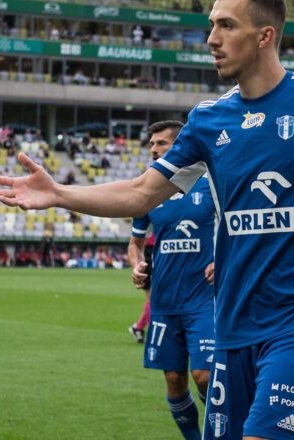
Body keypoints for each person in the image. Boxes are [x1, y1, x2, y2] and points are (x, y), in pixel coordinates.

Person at [0, 0, 294, 440]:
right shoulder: (208, 119)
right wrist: (59, 193)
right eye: (211, 25)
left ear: (264, 35)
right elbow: (140, 193)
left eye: (226, 25)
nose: (211, 38)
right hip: (229, 320)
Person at [128, 120, 216, 440]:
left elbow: (236, 230)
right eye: (151, 144)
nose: (153, 149)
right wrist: (137, 264)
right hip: (165, 301)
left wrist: (223, 259)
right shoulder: (148, 192)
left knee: (205, 375)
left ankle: (225, 430)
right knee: (174, 380)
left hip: (205, 298)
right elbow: (135, 243)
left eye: (161, 143)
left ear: (180, 146)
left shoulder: (212, 184)